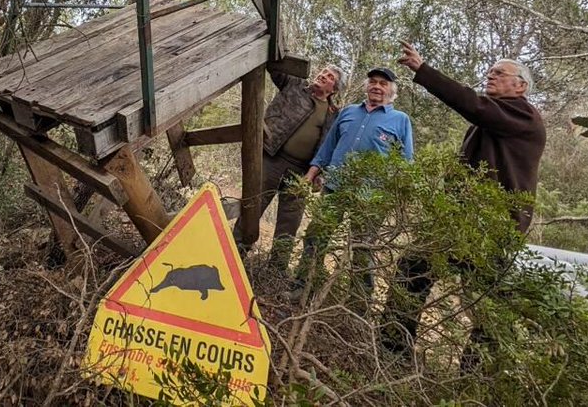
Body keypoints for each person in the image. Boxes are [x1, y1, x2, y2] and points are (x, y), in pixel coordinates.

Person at [381, 42, 546, 365]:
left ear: (521, 86)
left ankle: (475, 376)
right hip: (461, 220)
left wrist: (423, 70)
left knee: (488, 306)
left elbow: (473, 105)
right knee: (414, 272)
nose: (491, 74)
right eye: (491, 70)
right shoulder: (497, 118)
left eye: (500, 73)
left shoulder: (523, 115)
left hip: (489, 227)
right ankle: (392, 354)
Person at [295, 67, 414, 289]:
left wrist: (396, 199)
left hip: (371, 197)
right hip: (334, 187)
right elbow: (328, 147)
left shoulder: (400, 120)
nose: (377, 86)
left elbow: (405, 163)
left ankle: (357, 307)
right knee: (315, 236)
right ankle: (302, 286)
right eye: (373, 82)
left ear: (392, 91)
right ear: (366, 86)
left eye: (383, 83)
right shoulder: (348, 112)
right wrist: (311, 174)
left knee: (361, 249)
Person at [234, 62, 347, 269]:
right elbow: (274, 66)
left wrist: (319, 174)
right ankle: (234, 253)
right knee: (252, 206)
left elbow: (329, 145)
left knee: (290, 222)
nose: (323, 75)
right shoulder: (294, 84)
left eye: (330, 77)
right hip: (272, 157)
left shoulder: (333, 114)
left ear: (334, 89)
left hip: (302, 172)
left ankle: (275, 270)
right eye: (323, 72)